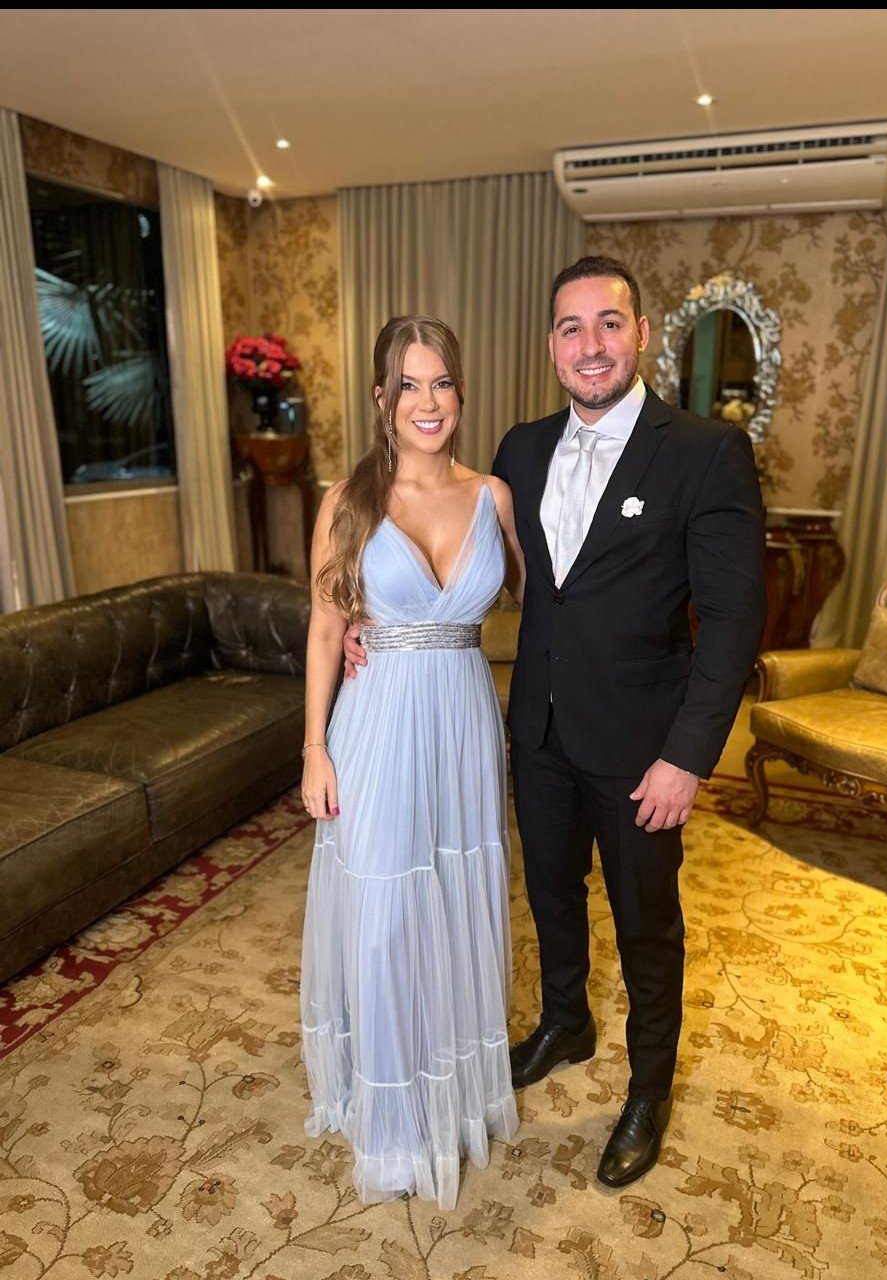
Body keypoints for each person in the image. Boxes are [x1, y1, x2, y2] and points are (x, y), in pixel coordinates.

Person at [345, 256, 766, 1189]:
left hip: (642, 749)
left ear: (640, 334)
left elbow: (735, 621)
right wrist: (370, 624)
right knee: (550, 895)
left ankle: (648, 1089)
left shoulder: (703, 451)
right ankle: (566, 1021)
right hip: (533, 731)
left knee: (647, 922)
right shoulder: (521, 450)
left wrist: (688, 757)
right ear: (551, 345)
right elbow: (484, 576)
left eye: (609, 323)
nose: (591, 344)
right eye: (572, 328)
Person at [299, 315, 524, 1210]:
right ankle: (392, 1121)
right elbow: (325, 630)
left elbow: (546, 600)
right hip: (378, 722)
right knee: (388, 914)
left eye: (441, 383)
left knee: (457, 900)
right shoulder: (347, 502)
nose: (427, 402)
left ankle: (453, 1094)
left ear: (459, 393)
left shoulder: (495, 497)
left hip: (464, 721)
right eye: (408, 386)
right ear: (381, 399)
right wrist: (314, 748)